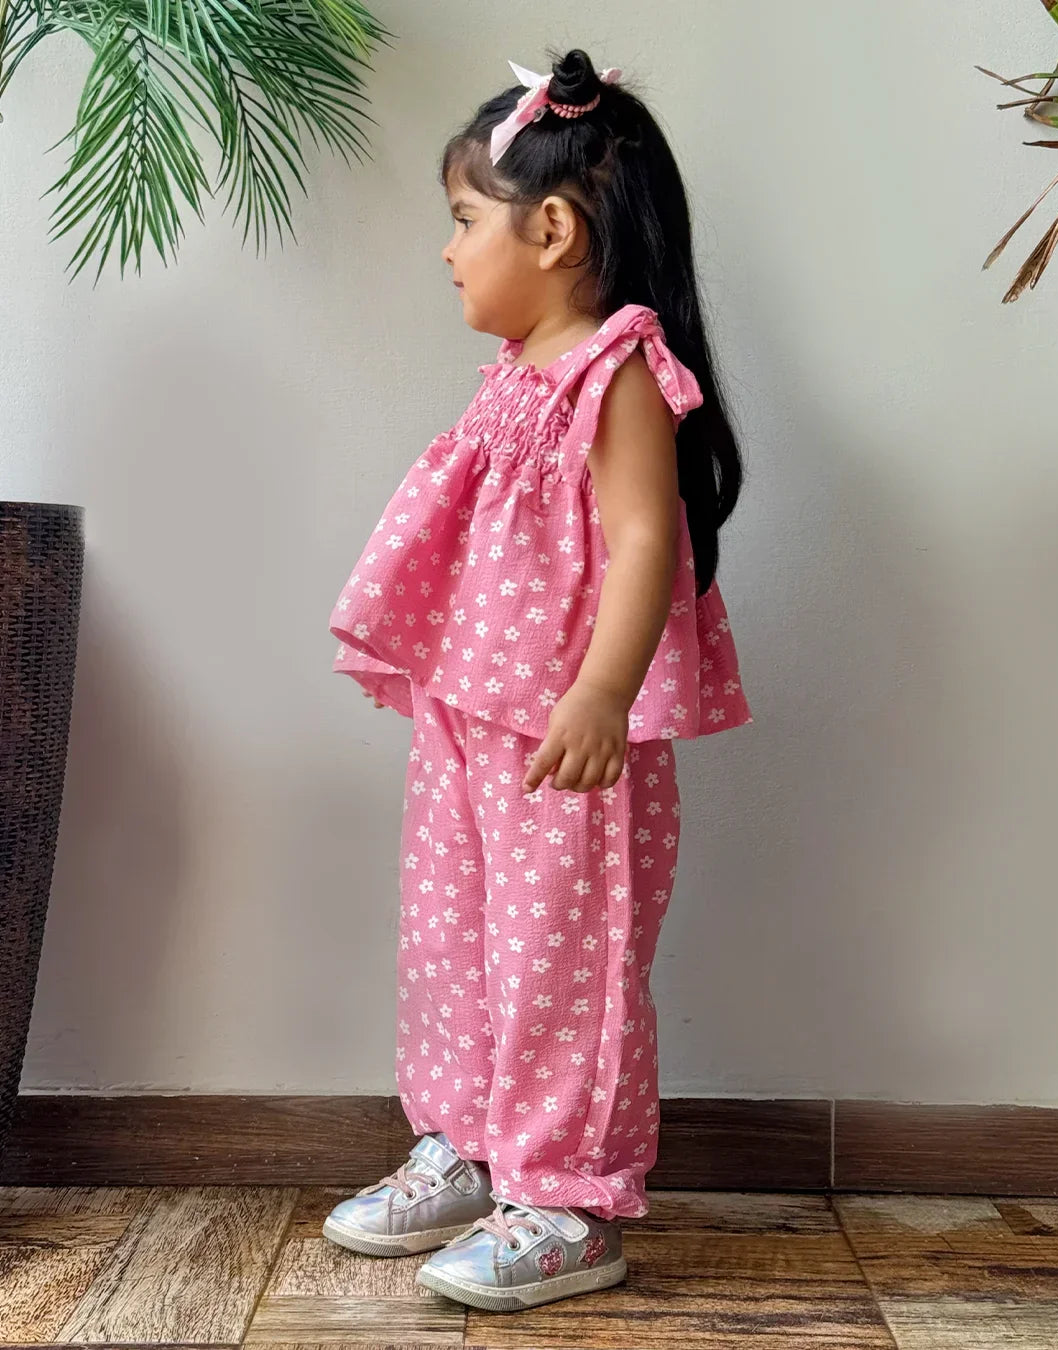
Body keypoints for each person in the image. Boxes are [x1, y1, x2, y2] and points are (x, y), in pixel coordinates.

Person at [322, 48, 753, 1312]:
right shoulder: (512, 376)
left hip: (565, 733)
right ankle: (471, 1144)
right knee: (457, 938)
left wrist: (605, 695)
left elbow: (642, 543)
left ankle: (566, 1196)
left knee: (564, 955)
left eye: (464, 220)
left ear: (553, 228)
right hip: (472, 714)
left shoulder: (619, 371)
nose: (449, 250)